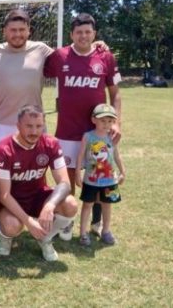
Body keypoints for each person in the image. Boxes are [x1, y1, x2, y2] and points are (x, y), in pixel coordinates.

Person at [43, 13, 122, 238]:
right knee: (68, 178)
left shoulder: (105, 57)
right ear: (71, 35)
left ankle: (97, 222)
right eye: (79, 32)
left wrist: (117, 123)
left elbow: (115, 94)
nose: (84, 36)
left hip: (98, 131)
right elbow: (41, 67)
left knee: (100, 174)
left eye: (88, 32)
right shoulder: (60, 56)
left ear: (94, 34)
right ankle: (68, 220)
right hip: (67, 131)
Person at [0, 105, 79, 261]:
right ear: (18, 126)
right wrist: (29, 222)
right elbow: (4, 195)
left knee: (71, 204)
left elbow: (65, 182)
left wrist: (50, 205)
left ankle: (45, 238)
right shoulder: (4, 149)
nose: (34, 131)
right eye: (29, 126)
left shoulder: (51, 143)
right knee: (12, 225)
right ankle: (5, 236)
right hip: (13, 201)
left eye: (39, 126)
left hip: (38, 197)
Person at [0, 9, 53, 153]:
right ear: (4, 31)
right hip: (1, 123)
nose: (17, 34)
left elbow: (67, 58)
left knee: (35, 169)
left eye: (22, 29)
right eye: (13, 30)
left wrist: (94, 45)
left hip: (33, 123)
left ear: (29, 31)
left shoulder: (41, 49)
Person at [75, 104, 126, 246]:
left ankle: (106, 231)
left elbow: (116, 154)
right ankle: (83, 233)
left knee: (107, 205)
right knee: (87, 205)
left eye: (110, 121)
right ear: (93, 120)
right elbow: (80, 156)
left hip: (110, 180)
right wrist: (77, 174)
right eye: (103, 120)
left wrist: (123, 171)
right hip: (91, 180)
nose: (106, 124)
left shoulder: (112, 137)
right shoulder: (88, 136)